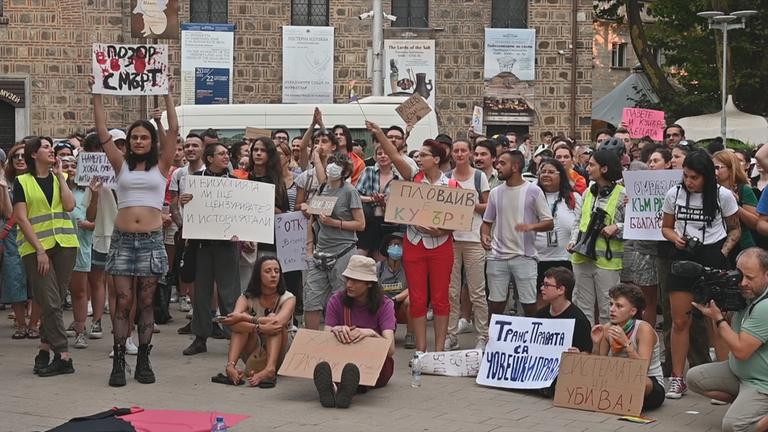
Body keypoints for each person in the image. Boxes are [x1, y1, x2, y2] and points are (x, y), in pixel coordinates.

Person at [92, 77, 178, 386]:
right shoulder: (121, 165)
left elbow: (174, 132)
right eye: (134, 138)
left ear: (152, 142)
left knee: (145, 302)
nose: (139, 142)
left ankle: (143, 358)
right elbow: (102, 132)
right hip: (123, 240)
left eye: (144, 138)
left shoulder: (162, 166)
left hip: (152, 241)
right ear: (127, 143)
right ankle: (118, 360)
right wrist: (98, 94)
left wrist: (167, 95)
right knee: (122, 302)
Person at [369, 120, 454, 352]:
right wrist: (379, 132)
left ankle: (438, 350)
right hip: (415, 242)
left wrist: (442, 230)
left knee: (439, 298)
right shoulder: (413, 177)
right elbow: (395, 156)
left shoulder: (451, 184)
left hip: (440, 245)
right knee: (417, 297)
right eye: (417, 155)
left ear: (436, 159)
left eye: (424, 155)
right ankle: (420, 349)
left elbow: (458, 219)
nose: (419, 158)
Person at [661, 149, 741, 398]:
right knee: (680, 320)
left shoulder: (723, 196)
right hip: (683, 256)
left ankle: (724, 382)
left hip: (713, 255)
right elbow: (666, 227)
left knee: (715, 320)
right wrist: (676, 238)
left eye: (694, 177)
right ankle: (677, 377)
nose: (689, 181)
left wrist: (722, 253)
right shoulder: (674, 194)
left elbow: (735, 230)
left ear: (706, 176)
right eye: (685, 176)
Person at [13, 137, 79, 377]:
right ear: (33, 154)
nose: (52, 150)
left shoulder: (57, 178)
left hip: (65, 245)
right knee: (50, 302)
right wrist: (40, 250)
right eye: (46, 147)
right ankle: (63, 355)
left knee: (55, 302)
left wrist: (62, 176)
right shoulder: (22, 182)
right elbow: (21, 218)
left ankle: (43, 349)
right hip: (36, 249)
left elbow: (70, 206)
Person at [688, 247, 768, 432]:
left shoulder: (765, 306)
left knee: (733, 427)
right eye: (741, 276)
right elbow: (728, 335)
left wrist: (718, 318)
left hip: (762, 382)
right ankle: (747, 403)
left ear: (766, 275)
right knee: (694, 378)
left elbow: (741, 350)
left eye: (750, 278)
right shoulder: (747, 295)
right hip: (741, 375)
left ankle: (754, 408)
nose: (743, 283)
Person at [181, 143, 242, 356]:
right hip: (203, 246)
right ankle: (200, 337)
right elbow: (182, 209)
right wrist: (183, 202)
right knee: (202, 293)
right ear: (209, 158)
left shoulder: (235, 183)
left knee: (229, 294)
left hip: (227, 246)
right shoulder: (195, 181)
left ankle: (234, 336)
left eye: (227, 153)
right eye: (222, 154)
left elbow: (241, 214)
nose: (226, 157)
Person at [314, 255, 396, 408]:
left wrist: (371, 333)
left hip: (374, 361)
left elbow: (390, 350)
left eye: (356, 280)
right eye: (348, 279)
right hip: (343, 356)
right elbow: (324, 341)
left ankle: (341, 388)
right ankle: (337, 388)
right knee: (337, 366)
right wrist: (335, 330)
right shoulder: (336, 300)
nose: (349, 285)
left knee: (352, 371)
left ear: (369, 284)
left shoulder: (385, 305)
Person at [482, 150, 554, 317]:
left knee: (529, 304)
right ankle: (493, 340)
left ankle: (530, 339)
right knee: (495, 304)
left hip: (525, 256)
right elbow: (487, 221)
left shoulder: (533, 191)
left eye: (502, 163)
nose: (497, 167)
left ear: (514, 167)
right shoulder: (495, 192)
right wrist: (484, 235)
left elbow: (548, 222)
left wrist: (531, 227)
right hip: (497, 256)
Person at [304, 153, 365, 330]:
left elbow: (360, 224)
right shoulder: (323, 188)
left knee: (342, 299)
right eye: (330, 163)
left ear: (345, 171)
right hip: (320, 252)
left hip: (343, 252)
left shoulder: (349, 191)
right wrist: (310, 246)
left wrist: (335, 223)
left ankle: (339, 340)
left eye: (337, 165)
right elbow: (313, 221)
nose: (332, 167)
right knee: (311, 299)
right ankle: (311, 341)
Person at [216, 256, 296, 387]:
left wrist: (245, 317)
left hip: (281, 349)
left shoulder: (288, 298)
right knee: (241, 327)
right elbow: (234, 322)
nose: (273, 275)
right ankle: (230, 366)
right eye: (268, 271)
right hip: (255, 347)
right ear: (258, 275)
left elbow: (277, 323)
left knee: (272, 320)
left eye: (277, 271)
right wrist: (259, 328)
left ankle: (270, 369)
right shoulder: (246, 297)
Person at [568, 149, 626, 325]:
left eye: (592, 164)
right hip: (581, 257)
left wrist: (617, 227)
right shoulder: (587, 193)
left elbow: (634, 225)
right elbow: (578, 221)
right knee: (583, 309)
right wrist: (573, 241)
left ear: (605, 169)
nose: (588, 167)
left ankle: (605, 351)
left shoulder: (623, 194)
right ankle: (586, 349)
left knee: (608, 311)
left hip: (606, 263)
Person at [591, 283, 666, 411]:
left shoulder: (643, 329)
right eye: (611, 304)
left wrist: (626, 343)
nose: (612, 309)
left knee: (640, 383)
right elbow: (599, 365)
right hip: (619, 379)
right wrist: (596, 344)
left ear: (633, 311)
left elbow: (642, 368)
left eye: (619, 306)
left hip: (649, 382)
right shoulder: (607, 328)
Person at [535, 266, 592, 397]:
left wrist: (579, 355)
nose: (542, 288)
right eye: (542, 284)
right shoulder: (540, 315)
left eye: (546, 285)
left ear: (561, 290)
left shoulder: (579, 320)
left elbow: (588, 354)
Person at [169, 133, 205, 331]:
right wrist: (183, 226)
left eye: (195, 145)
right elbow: (174, 204)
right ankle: (196, 318)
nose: (190, 149)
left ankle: (209, 317)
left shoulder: (210, 171)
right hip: (186, 232)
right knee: (189, 275)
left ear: (202, 150)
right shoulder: (179, 174)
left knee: (207, 278)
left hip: (207, 235)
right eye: (187, 146)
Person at [1, 144, 35, 340]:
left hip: (37, 233)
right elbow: (7, 213)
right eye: (16, 157)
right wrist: (4, 189)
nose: (20, 159)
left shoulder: (38, 180)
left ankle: (34, 322)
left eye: (24, 156)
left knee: (36, 279)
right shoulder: (8, 182)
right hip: (14, 235)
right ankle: (21, 324)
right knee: (14, 278)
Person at [62, 156, 96, 349]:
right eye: (65, 166)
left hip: (80, 245)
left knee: (79, 291)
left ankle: (80, 331)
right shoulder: (56, 188)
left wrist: (88, 224)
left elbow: (94, 218)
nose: (70, 169)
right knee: (56, 292)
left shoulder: (87, 192)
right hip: (57, 245)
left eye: (74, 166)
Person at [535, 159, 580, 297]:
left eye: (551, 172)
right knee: (540, 299)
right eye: (543, 172)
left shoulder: (574, 198)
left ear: (561, 175)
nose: (546, 175)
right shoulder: (531, 196)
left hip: (565, 259)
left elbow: (580, 224)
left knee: (564, 301)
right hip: (537, 259)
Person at [355, 143, 403, 258]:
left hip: (387, 224)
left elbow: (398, 209)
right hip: (368, 221)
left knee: (380, 260)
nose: (383, 156)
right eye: (379, 153)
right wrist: (372, 199)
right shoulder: (368, 171)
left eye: (386, 153)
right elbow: (356, 196)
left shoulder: (398, 177)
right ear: (375, 157)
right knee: (359, 258)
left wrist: (384, 204)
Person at [713, 150, 759, 264]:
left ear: (730, 169)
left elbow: (755, 222)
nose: (714, 171)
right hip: (717, 244)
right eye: (712, 167)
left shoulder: (744, 189)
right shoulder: (709, 190)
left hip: (742, 246)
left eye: (718, 167)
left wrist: (734, 205)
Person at [377, 232, 412, 348]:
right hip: (382, 305)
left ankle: (410, 334)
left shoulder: (409, 268)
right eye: (393, 245)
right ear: (387, 248)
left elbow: (413, 288)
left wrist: (395, 299)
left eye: (399, 245)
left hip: (400, 305)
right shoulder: (379, 267)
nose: (396, 248)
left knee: (412, 300)